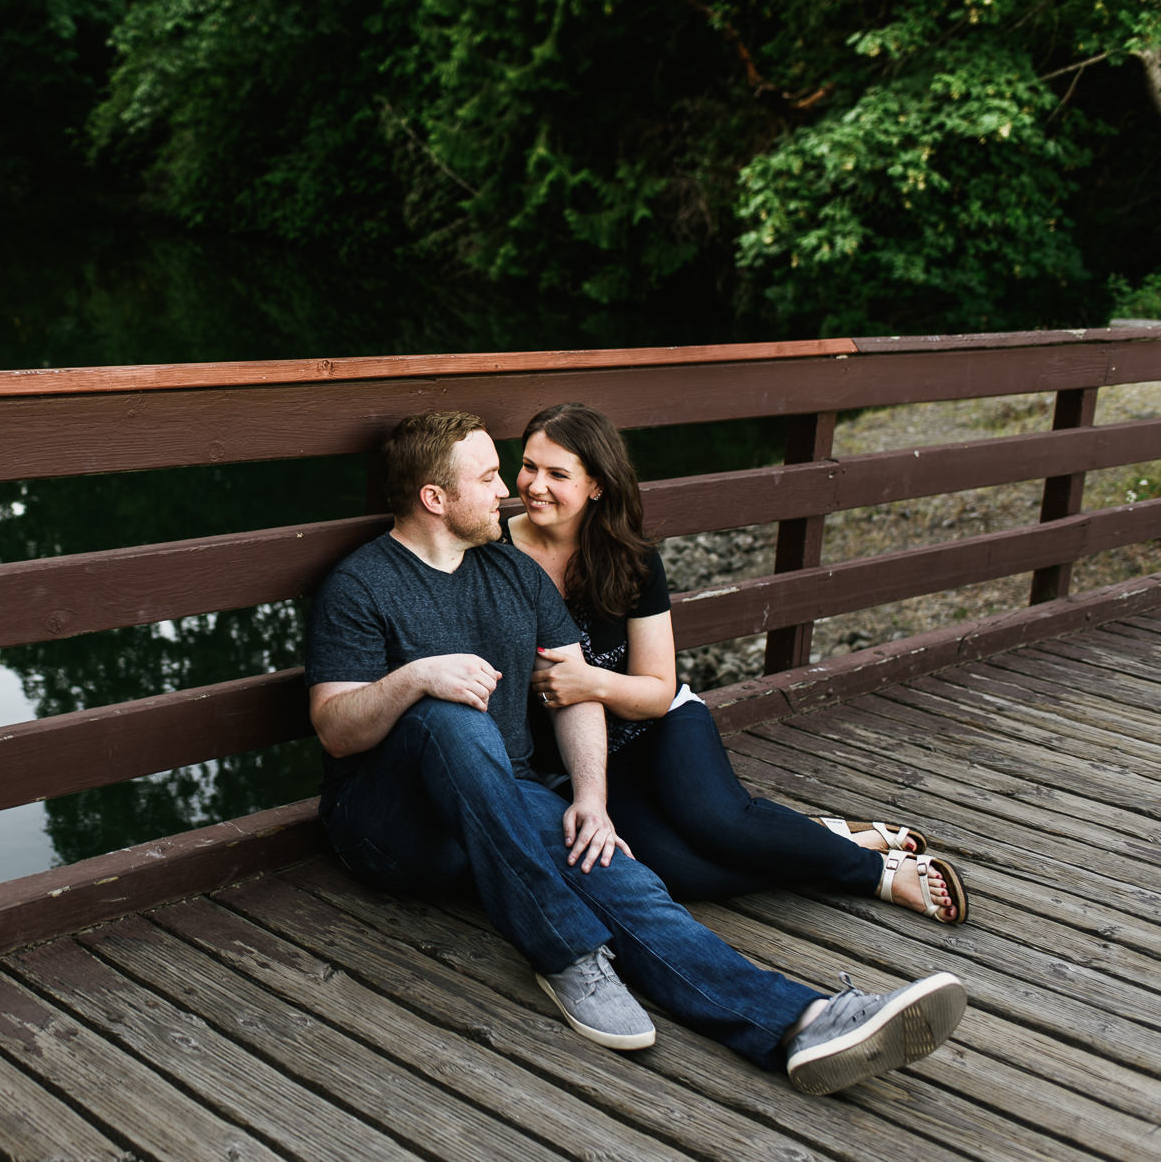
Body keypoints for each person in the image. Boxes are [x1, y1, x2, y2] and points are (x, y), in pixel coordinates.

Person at [306, 410, 966, 1094]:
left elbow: (576, 693)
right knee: (453, 718)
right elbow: (334, 728)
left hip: (504, 798)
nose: (508, 490)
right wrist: (415, 677)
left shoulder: (512, 571)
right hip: (394, 828)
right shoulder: (362, 584)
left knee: (620, 871)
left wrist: (591, 801)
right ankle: (565, 950)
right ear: (435, 499)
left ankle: (802, 1023)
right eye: (491, 476)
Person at [509, 402, 967, 924]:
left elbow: (658, 690)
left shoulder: (631, 558)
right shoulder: (499, 552)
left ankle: (881, 875)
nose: (534, 484)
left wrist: (588, 682)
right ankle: (809, 835)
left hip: (658, 726)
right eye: (528, 466)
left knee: (720, 823)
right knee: (683, 874)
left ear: (597, 485)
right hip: (581, 765)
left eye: (557, 474)